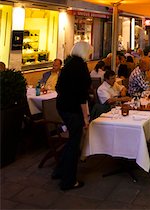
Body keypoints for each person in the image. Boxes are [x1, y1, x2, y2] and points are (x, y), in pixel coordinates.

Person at [54, 41, 92, 191]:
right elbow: (82, 96)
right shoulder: (81, 67)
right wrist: (85, 118)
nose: (90, 55)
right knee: (74, 144)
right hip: (73, 109)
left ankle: (59, 171)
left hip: (62, 106)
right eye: (89, 52)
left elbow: (58, 87)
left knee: (71, 141)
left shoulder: (68, 65)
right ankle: (68, 181)